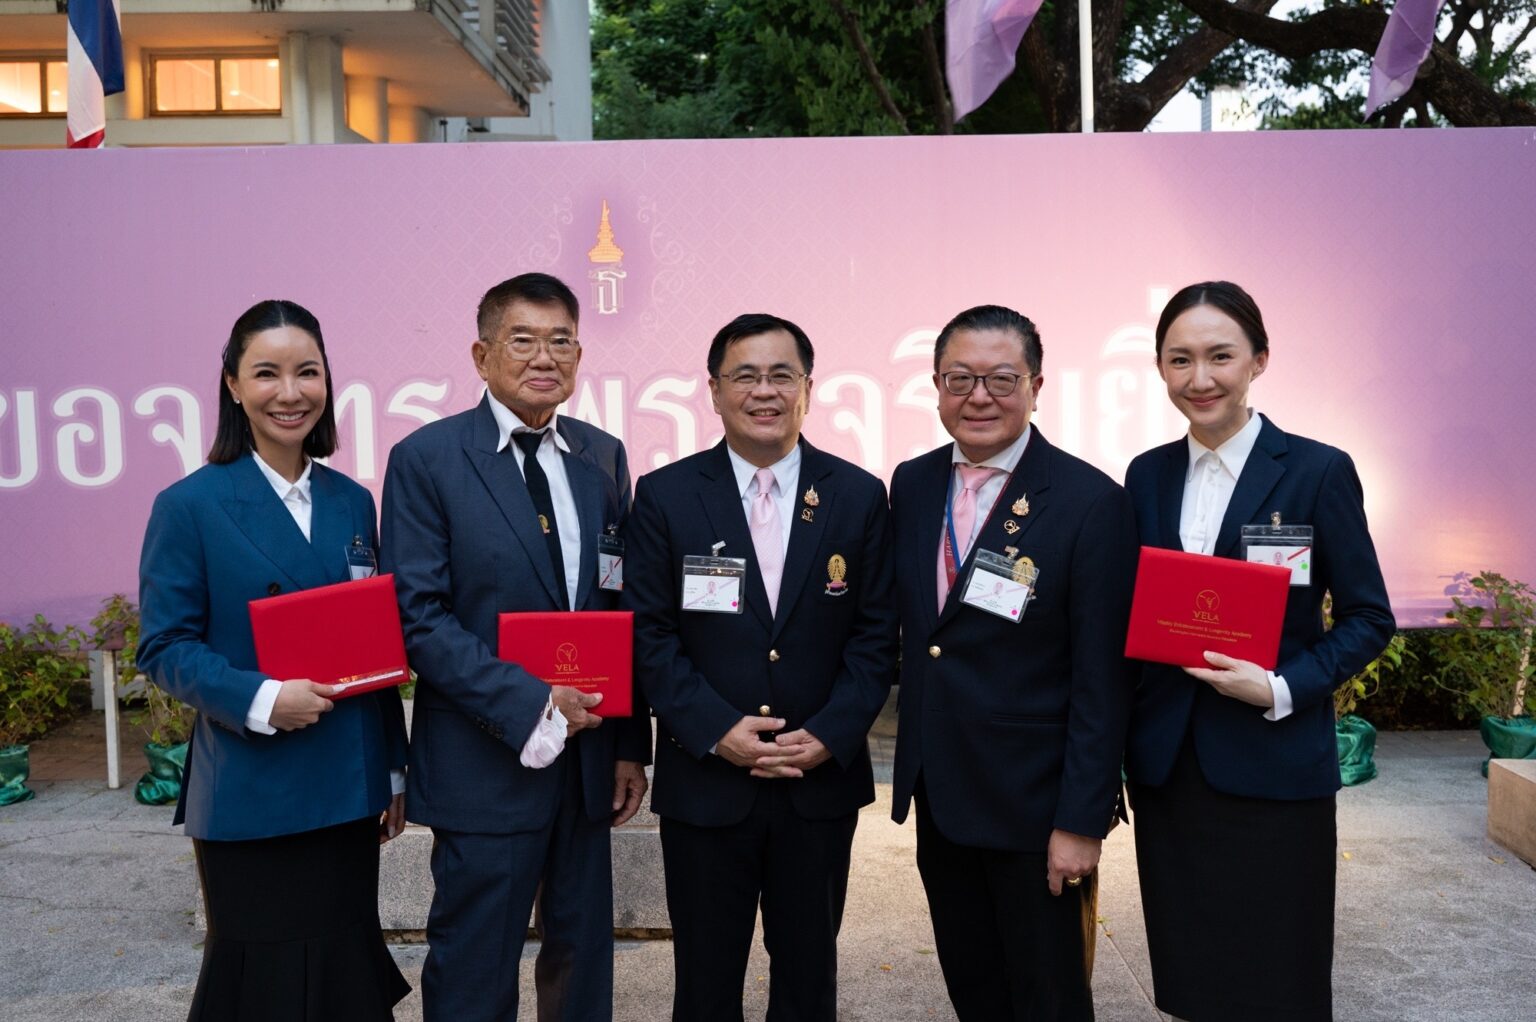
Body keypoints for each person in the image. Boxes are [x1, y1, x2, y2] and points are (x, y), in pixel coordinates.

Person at [380, 272, 650, 1021]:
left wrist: (629, 742)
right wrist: (535, 702)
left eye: (561, 339)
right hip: (483, 757)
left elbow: (616, 603)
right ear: (481, 353)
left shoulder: (603, 456)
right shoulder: (428, 459)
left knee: (583, 959)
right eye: (522, 339)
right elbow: (419, 616)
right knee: (475, 964)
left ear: (579, 352)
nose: (544, 356)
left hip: (589, 760)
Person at [1123, 281, 1394, 1022]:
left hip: (1275, 766)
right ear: (1160, 369)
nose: (1199, 378)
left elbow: (1370, 617)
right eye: (1179, 360)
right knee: (1190, 973)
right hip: (1170, 770)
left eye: (1220, 356)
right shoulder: (1145, 475)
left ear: (1259, 361)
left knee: (1282, 976)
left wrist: (1280, 687)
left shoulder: (1316, 470)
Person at [136, 299, 410, 1021]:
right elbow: (163, 646)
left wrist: (390, 766)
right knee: (262, 979)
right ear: (232, 385)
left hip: (348, 788)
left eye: (307, 372)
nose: (290, 393)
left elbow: (371, 645)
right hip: (252, 790)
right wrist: (263, 699)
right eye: (266, 373)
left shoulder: (353, 502)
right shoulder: (189, 505)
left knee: (344, 968)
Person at [624, 313, 898, 1021]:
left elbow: (875, 636)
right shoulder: (665, 496)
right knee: (706, 984)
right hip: (708, 782)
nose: (764, 391)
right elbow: (649, 636)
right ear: (714, 391)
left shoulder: (859, 495)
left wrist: (832, 733)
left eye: (782, 375)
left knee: (809, 982)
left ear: (809, 388)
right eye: (745, 376)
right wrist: (716, 729)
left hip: (819, 785)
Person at [889, 304, 1138, 1021]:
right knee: (976, 989)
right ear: (936, 387)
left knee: (1049, 998)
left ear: (1036, 385)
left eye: (1001, 378)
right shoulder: (912, 484)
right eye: (960, 378)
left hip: (1037, 809)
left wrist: (1082, 820)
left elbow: (1103, 679)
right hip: (942, 795)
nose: (979, 396)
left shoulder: (1090, 501)